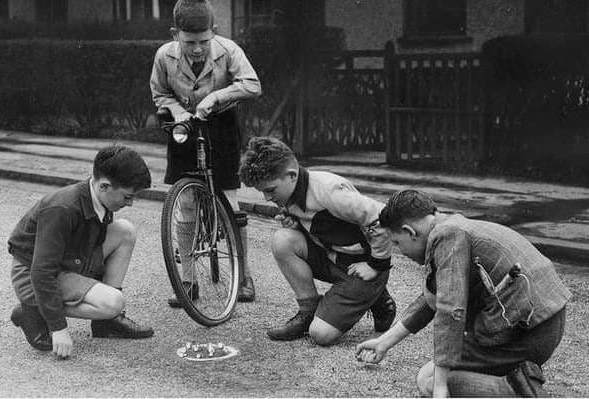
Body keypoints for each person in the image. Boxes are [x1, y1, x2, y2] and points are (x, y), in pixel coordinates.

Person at [356, 189, 571, 397]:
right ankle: (517, 374)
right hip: (546, 319)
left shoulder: (447, 235)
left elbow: (450, 308)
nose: (398, 250)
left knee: (428, 380)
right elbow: (436, 297)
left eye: (396, 242)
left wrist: (440, 386)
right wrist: (385, 342)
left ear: (410, 232)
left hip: (529, 333)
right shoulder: (451, 225)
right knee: (440, 370)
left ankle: (516, 389)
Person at [150, 0, 261, 305]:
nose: (197, 49)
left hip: (221, 125)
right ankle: (188, 279)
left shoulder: (228, 50)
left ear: (214, 31)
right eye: (189, 42)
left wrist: (215, 97)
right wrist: (176, 111)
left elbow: (252, 84)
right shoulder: (164, 56)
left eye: (203, 41)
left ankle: (244, 276)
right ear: (176, 34)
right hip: (183, 126)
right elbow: (159, 93)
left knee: (230, 199)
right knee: (185, 200)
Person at [238, 136, 397, 345]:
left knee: (321, 335)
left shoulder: (329, 190)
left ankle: (379, 299)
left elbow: (382, 217)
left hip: (362, 266)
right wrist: (298, 227)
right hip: (335, 258)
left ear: (292, 175)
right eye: (262, 192)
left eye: (270, 190)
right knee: (283, 240)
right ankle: (308, 311)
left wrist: (376, 265)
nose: (267, 198)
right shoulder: (288, 192)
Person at [8, 146, 154, 359]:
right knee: (114, 302)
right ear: (104, 186)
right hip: (33, 274)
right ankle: (33, 311)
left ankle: (106, 322)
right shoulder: (61, 208)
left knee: (125, 231)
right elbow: (41, 272)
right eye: (127, 197)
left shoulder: (98, 198)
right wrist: (58, 328)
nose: (130, 203)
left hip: (69, 260)